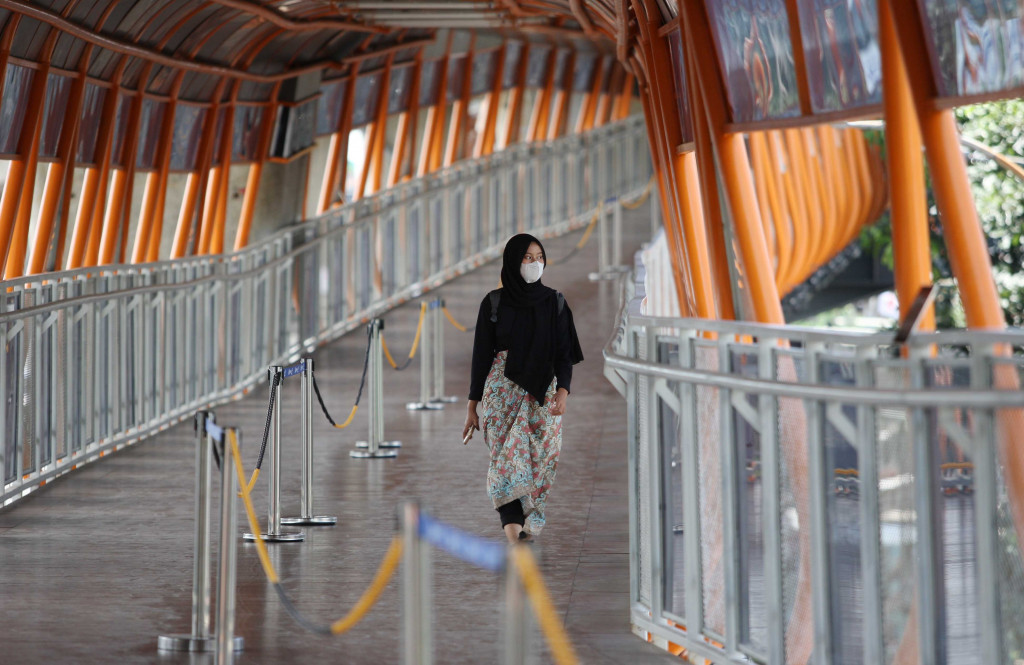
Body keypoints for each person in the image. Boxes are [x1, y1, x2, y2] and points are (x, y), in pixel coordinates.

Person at [462, 233, 584, 545]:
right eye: (527, 257)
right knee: (506, 460)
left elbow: (563, 354)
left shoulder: (554, 303)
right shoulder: (494, 303)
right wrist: (471, 406)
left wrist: (563, 393)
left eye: (539, 257)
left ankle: (528, 518)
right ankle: (513, 530)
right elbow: (480, 357)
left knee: (541, 457)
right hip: (502, 396)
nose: (534, 263)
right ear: (513, 261)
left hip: (543, 395)